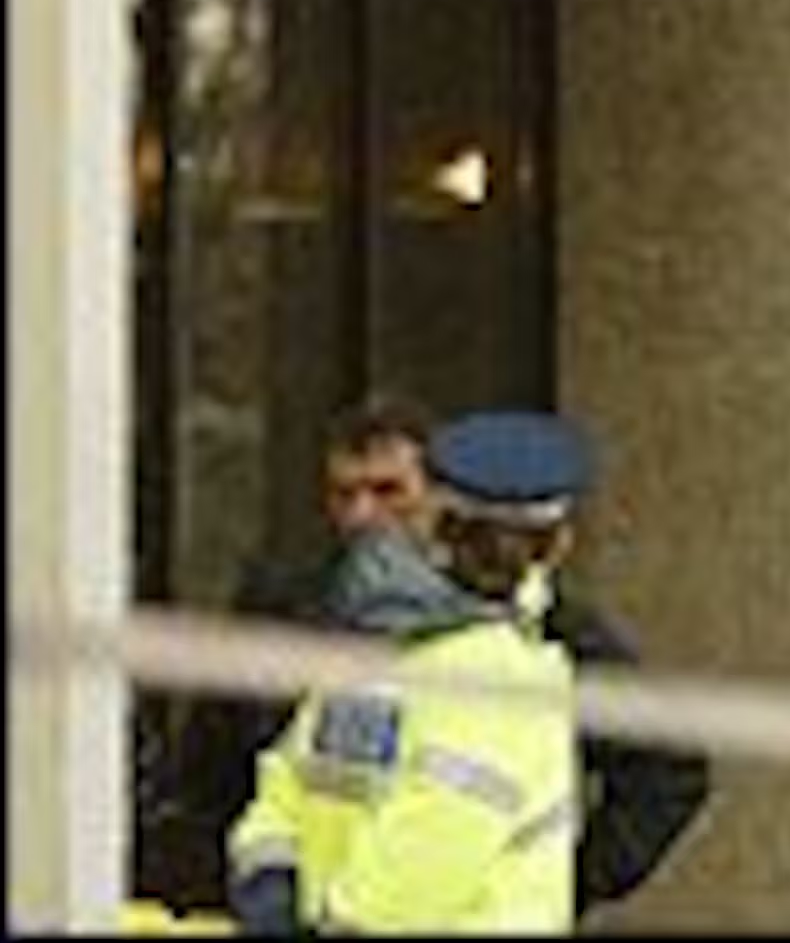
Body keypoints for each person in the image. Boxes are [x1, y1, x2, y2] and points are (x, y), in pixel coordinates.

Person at [227, 417, 580, 934]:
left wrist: (273, 886)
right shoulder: (503, 669)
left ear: (432, 522)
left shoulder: (371, 638)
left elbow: (286, 785)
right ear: (557, 546)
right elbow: (420, 847)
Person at [423, 408, 711, 920]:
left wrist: (566, 879)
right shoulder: (380, 619)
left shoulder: (565, 641)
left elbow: (670, 767)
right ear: (561, 543)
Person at [161, 394, 439, 905]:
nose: (363, 515)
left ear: (438, 497)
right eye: (344, 495)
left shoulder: (498, 617)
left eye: (388, 492)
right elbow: (209, 770)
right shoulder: (277, 608)